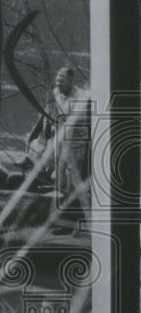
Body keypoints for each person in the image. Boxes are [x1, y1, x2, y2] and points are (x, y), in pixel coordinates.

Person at [46, 67, 90, 208]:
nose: (58, 85)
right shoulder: (56, 93)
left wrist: (57, 118)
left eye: (62, 82)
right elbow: (51, 114)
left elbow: (73, 121)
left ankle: (75, 220)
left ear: (71, 81)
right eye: (57, 81)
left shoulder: (81, 97)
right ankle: (63, 219)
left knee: (73, 185)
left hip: (76, 144)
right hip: (61, 143)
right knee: (60, 182)